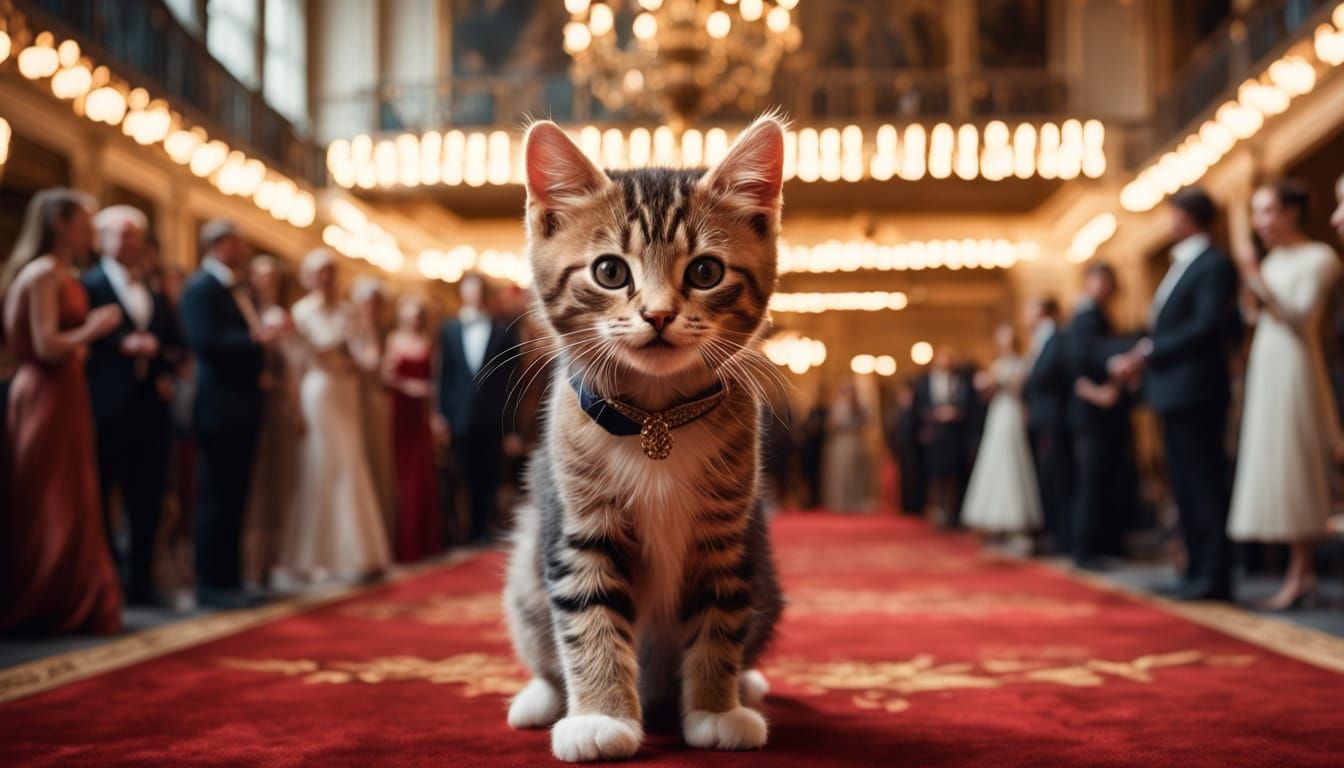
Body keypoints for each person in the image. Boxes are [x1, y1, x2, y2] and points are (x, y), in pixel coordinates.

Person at [0, 189, 123, 634]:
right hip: (44, 394)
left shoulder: (63, 273)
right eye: (85, 222)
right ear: (61, 224)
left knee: (75, 493)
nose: (91, 230)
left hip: (67, 391)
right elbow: (45, 345)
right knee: (48, 498)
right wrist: (92, 329)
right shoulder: (42, 274)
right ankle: (46, 599)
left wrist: (82, 345)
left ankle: (74, 596)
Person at [1111, 188, 1240, 600]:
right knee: (1184, 485)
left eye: (1173, 216)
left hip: (1197, 389)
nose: (1169, 224)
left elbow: (1205, 326)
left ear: (1188, 219)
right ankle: (1194, 568)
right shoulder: (1184, 265)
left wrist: (1149, 351)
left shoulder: (1213, 264)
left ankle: (1214, 574)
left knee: (1203, 483)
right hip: (1174, 390)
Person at [1227, 181, 1343, 610]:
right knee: (1275, 461)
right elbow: (1258, 317)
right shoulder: (1272, 260)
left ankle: (1302, 571)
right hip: (1268, 365)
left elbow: (1299, 318)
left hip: (1296, 367)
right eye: (1257, 213)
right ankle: (1301, 572)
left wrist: (1257, 279)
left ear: (1293, 212)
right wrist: (1251, 288)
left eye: (1269, 211)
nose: (1262, 222)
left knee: (1298, 463)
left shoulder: (1320, 257)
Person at [83, 205, 181, 606]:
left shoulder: (153, 292)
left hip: (150, 410)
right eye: (121, 234)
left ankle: (143, 580)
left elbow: (175, 342)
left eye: (135, 235)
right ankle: (109, 581)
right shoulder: (87, 285)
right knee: (105, 493)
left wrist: (160, 360)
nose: (129, 242)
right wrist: (118, 343)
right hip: (105, 406)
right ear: (101, 239)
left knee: (149, 496)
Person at [281, 250, 391, 584]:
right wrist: (296, 408)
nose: (327, 278)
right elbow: (294, 365)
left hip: (347, 392)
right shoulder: (300, 313)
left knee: (350, 466)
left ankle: (355, 554)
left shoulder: (348, 313)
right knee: (319, 467)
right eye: (321, 272)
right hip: (317, 392)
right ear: (309, 277)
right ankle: (315, 557)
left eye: (332, 272)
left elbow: (367, 356)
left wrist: (357, 356)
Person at [179, 219, 272, 608]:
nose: (244, 249)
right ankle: (210, 582)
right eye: (237, 242)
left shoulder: (238, 287)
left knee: (236, 496)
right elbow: (204, 342)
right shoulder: (201, 288)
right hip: (219, 406)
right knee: (215, 496)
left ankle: (231, 577)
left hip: (244, 406)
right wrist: (254, 337)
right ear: (218, 245)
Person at [434, 273, 519, 544]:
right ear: (463, 294)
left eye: (479, 291)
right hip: (459, 415)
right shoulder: (448, 330)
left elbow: (511, 382)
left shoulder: (504, 331)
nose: (475, 296)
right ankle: (467, 527)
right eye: (470, 291)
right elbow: (444, 376)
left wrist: (511, 426)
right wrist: (441, 415)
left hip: (492, 415)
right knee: (463, 474)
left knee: (490, 473)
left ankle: (485, 528)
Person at [1063, 262, 1137, 569]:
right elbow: (1078, 365)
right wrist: (1099, 392)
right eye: (1100, 280)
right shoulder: (1085, 317)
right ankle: (1086, 549)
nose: (1105, 286)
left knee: (1103, 479)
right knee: (1092, 480)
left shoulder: (1098, 316)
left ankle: (1102, 544)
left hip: (1099, 413)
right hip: (1091, 414)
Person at [242, 256, 299, 587]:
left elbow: (291, 367)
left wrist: (291, 403)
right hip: (249, 407)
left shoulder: (280, 317)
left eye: (272, 278)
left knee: (275, 486)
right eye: (261, 277)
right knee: (253, 490)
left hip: (274, 409)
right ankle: (249, 563)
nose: (268, 283)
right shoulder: (245, 312)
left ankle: (269, 563)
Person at [961, 325, 1042, 545]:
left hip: (1012, 414)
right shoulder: (995, 365)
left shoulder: (1021, 363)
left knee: (1013, 461)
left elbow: (1021, 391)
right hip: (997, 416)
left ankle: (1017, 523)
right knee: (993, 462)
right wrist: (986, 385)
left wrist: (1001, 381)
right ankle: (994, 523)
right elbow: (986, 397)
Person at [384, 295, 442, 562]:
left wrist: (433, 415)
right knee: (404, 476)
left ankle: (424, 542)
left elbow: (434, 382)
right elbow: (385, 375)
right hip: (400, 413)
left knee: (423, 476)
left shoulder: (428, 343)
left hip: (420, 415)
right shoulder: (393, 340)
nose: (413, 320)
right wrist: (406, 386)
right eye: (409, 315)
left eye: (417, 315)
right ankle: (405, 545)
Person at [1022, 296, 1071, 553]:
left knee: (1058, 475)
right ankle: (1054, 532)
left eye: (1028, 310)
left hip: (1053, 418)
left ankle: (1062, 537)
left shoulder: (1057, 338)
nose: (1024, 317)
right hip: (1042, 418)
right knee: (1048, 475)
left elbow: (1048, 377)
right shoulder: (1039, 340)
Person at [352, 275, 396, 534]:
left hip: (375, 400)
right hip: (352, 399)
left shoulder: (384, 332)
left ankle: (379, 529)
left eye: (376, 304)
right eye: (368, 303)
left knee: (378, 461)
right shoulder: (352, 328)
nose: (372, 308)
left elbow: (378, 367)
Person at [915, 348, 973, 527]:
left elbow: (967, 404)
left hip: (954, 434)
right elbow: (920, 406)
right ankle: (936, 510)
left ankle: (951, 511)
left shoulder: (960, 381)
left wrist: (954, 413)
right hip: (934, 433)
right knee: (935, 472)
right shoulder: (925, 382)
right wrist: (933, 415)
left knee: (953, 474)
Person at [821, 378, 873, 513]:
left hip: (854, 443)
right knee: (840, 473)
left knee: (855, 473)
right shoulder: (837, 406)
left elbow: (866, 423)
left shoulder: (858, 407)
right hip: (840, 444)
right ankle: (840, 502)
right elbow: (830, 425)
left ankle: (854, 501)